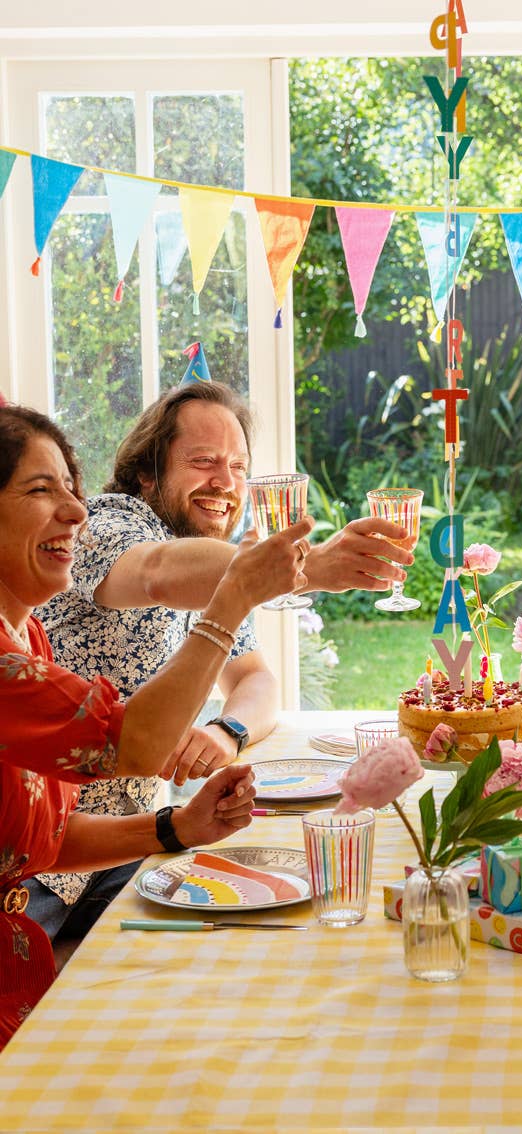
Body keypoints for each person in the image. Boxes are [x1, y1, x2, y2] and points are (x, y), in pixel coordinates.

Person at [27, 380, 412, 945]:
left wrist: (226, 730)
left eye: (237, 467)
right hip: (38, 854)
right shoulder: (104, 524)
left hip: (124, 845)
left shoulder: (215, 572)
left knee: (246, 929)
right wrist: (307, 568)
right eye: (203, 461)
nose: (225, 483)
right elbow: (157, 572)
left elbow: (256, 679)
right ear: (147, 473)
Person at [0, 403, 310, 1049]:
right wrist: (260, 582)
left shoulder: (28, 636)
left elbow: (42, 834)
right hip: (35, 897)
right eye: (41, 489)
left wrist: (188, 806)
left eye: (238, 467)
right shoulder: (116, 524)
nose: (75, 511)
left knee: (241, 960)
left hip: (95, 858)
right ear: (147, 471)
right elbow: (135, 740)